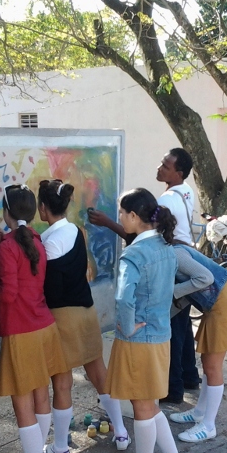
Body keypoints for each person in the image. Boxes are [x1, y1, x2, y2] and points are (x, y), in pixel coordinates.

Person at [89, 147, 200, 405]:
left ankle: (171, 388)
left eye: (166, 166)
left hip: (169, 267)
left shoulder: (165, 204)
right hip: (177, 261)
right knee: (180, 325)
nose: (159, 168)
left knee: (173, 327)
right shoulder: (185, 192)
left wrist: (107, 222)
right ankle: (189, 376)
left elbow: (137, 236)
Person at [37, 179, 131, 453]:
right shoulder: (76, 231)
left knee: (62, 382)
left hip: (61, 315)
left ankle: (61, 448)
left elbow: (48, 287)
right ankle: (122, 432)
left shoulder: (48, 243)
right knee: (99, 372)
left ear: (42, 208)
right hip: (86, 310)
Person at [107, 188, 191, 453]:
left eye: (120, 213)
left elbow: (124, 299)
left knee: (142, 406)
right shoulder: (167, 247)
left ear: (133, 216)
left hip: (138, 340)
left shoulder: (135, 253)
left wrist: (127, 327)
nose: (119, 218)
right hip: (160, 336)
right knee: (150, 405)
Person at [0, 184, 68, 453]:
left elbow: (7, 294)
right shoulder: (35, 239)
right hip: (43, 325)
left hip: (21, 331)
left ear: (6, 212)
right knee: (40, 395)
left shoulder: (8, 247)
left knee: (22, 404)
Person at [168, 242, 227, 442]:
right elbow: (188, 293)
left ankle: (208, 425)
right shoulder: (172, 253)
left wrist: (173, 291)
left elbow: (205, 278)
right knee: (207, 364)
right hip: (214, 308)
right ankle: (199, 413)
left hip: (222, 308)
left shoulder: (175, 253)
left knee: (213, 368)